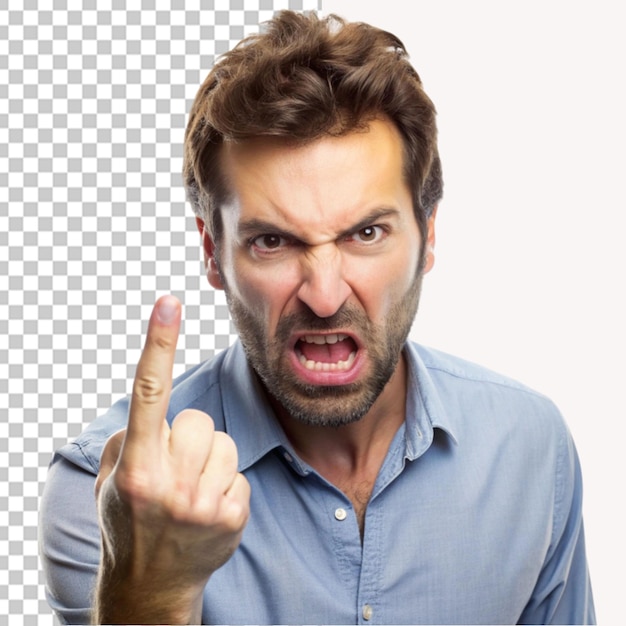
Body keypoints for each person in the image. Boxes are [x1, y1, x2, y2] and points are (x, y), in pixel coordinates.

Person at [40, 10, 595, 625]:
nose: (325, 296)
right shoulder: (116, 493)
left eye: (365, 232)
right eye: (273, 242)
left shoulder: (531, 448)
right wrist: (152, 595)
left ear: (428, 236)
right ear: (212, 252)